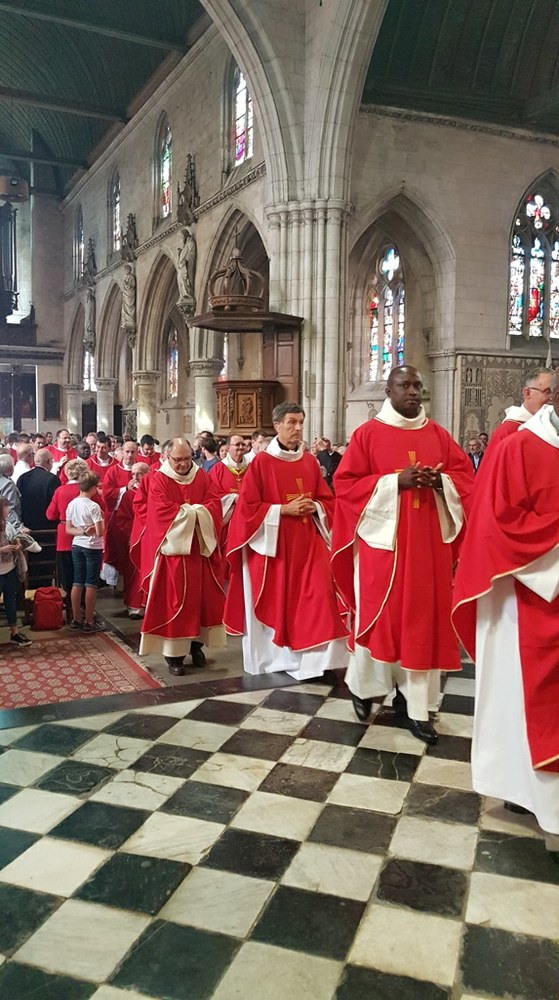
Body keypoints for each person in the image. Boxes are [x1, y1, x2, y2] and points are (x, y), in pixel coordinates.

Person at [331, 366, 474, 744]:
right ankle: (363, 688)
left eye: (417, 386)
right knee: (380, 620)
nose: (412, 392)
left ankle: (415, 707)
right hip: (384, 550)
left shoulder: (438, 434)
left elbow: (466, 480)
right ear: (389, 391)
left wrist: (441, 482)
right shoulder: (368, 434)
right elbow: (345, 485)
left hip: (428, 550)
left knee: (422, 624)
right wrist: (396, 481)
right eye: (404, 385)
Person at [453, 379, 559, 852]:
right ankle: (531, 795)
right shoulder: (519, 446)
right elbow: (497, 523)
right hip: (531, 595)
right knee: (528, 699)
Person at [225, 403, 348, 683]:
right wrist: (282, 510)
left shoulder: (309, 462)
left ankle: (318, 663)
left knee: (321, 595)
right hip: (274, 547)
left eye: (301, 422)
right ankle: (283, 659)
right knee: (282, 603)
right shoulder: (261, 463)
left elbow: (327, 500)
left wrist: (316, 506)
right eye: (291, 422)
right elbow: (247, 509)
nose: (298, 428)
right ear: (277, 425)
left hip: (309, 542)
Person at [138, 438, 225, 675]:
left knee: (201, 602)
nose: (184, 464)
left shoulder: (201, 476)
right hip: (174, 556)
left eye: (187, 458)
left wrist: (192, 512)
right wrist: (195, 512)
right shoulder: (159, 479)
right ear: (167, 457)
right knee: (175, 604)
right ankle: (174, 656)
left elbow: (214, 504)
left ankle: (197, 647)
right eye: (178, 460)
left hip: (199, 551)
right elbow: (160, 512)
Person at [46, 458, 105, 598]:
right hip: (88, 537)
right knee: (88, 577)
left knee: (69, 577)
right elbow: (102, 510)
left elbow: (50, 515)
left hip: (65, 535)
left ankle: (71, 606)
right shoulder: (89, 491)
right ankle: (86, 606)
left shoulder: (60, 491)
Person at [103, 461, 150, 618]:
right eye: (133, 474)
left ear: (148, 474)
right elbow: (122, 519)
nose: (136, 477)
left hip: (152, 539)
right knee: (134, 573)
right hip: (136, 539)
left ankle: (151, 606)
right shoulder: (129, 495)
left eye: (140, 473)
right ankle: (135, 607)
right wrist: (132, 535)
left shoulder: (155, 492)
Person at [65, 471, 106, 633]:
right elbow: (100, 532)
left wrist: (82, 532)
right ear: (93, 488)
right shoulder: (93, 506)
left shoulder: (72, 504)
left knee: (77, 582)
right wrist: (101, 520)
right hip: (92, 547)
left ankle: (76, 619)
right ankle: (89, 621)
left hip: (77, 545)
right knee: (91, 584)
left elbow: (68, 529)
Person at [483, 368, 553, 459]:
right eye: (548, 392)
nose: (553, 398)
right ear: (527, 393)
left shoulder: (553, 428)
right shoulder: (508, 431)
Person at [0, 496, 31, 646]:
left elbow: (15, 537)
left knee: (10, 600)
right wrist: (2, 550)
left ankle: (15, 632)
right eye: (5, 507)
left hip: (9, 568)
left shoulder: (8, 524)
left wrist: (18, 544)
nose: (8, 509)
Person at [209, 434, 249, 551]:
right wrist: (233, 498)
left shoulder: (251, 468)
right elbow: (212, 496)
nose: (241, 447)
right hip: (226, 523)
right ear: (228, 448)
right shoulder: (217, 469)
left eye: (243, 444)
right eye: (237, 444)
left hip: (246, 520)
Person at [102, 440, 139, 514]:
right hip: (120, 513)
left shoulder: (142, 469)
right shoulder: (113, 471)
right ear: (122, 452)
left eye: (132, 452)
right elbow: (107, 494)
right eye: (127, 452)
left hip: (137, 511)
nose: (130, 455)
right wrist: (126, 489)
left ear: (137, 453)